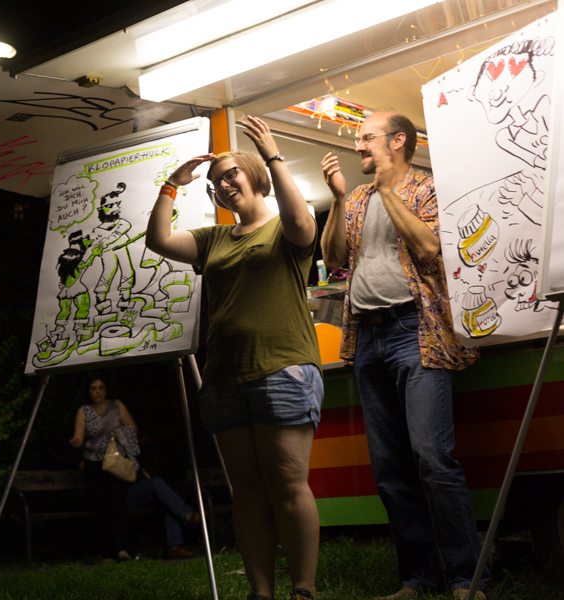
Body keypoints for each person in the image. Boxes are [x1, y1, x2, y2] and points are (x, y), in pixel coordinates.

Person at [147, 115, 324, 600]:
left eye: (230, 175)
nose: (223, 186)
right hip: (224, 378)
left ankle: (302, 590)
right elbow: (159, 240)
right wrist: (171, 185)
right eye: (215, 183)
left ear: (256, 176)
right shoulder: (213, 239)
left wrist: (272, 154)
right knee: (245, 491)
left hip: (283, 369)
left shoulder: (286, 229)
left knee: (287, 483)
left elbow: (302, 223)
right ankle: (261, 592)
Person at [320, 112, 488, 600]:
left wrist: (387, 190)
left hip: (416, 332)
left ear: (398, 141)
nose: (358, 146)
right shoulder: (356, 198)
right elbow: (333, 260)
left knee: (432, 457)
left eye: (366, 138)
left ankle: (466, 577)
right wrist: (337, 199)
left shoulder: (428, 189)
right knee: (390, 467)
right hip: (367, 339)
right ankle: (418, 578)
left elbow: (429, 248)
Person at [69, 374, 139, 562]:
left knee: (118, 503)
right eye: (93, 388)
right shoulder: (84, 411)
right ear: (89, 392)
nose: (97, 391)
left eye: (100, 387)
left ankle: (123, 549)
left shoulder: (117, 406)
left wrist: (119, 436)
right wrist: (76, 441)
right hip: (94, 463)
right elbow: (79, 434)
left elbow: (132, 427)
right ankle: (107, 552)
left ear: (106, 390)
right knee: (101, 506)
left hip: (115, 461)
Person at [128, 467, 201, 559]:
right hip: (123, 493)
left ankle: (174, 547)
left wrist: (141, 471)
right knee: (156, 482)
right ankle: (188, 515)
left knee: (167, 503)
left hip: (143, 491)